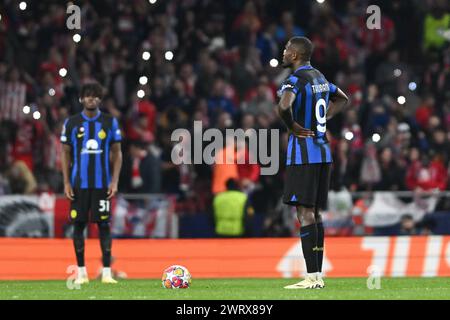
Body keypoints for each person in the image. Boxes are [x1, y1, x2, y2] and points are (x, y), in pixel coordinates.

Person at [277, 37, 349, 289]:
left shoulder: (294, 80)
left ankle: (311, 277)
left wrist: (292, 126)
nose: (283, 52)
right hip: (324, 152)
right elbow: (342, 98)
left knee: (304, 213)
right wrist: (324, 120)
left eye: (287, 49)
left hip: (303, 154)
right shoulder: (319, 78)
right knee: (315, 213)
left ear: (295, 55)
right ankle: (316, 276)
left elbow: (283, 106)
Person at [60, 82, 123, 285]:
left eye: (95, 96)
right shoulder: (71, 123)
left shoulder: (109, 122)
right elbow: (65, 154)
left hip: (102, 184)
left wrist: (114, 181)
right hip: (79, 184)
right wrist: (67, 182)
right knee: (78, 226)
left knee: (104, 225)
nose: (91, 99)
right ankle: (81, 272)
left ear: (100, 99)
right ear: (81, 98)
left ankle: (106, 272)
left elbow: (117, 153)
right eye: (87, 95)